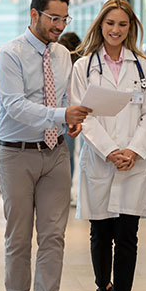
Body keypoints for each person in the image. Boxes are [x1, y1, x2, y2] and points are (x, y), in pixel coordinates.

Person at [0, 0, 91, 291]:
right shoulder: (10, 55)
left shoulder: (63, 55)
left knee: (53, 236)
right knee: (18, 236)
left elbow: (65, 97)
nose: (60, 25)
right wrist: (59, 113)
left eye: (64, 18)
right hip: (16, 153)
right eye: (54, 18)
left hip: (55, 153)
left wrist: (71, 119)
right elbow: (13, 105)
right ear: (34, 15)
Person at [70, 0, 146, 291]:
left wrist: (134, 151)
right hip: (100, 158)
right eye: (110, 23)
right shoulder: (83, 67)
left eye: (123, 24)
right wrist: (110, 151)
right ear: (100, 25)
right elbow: (82, 114)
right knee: (100, 232)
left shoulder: (144, 67)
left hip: (134, 163)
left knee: (127, 235)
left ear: (131, 28)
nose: (116, 30)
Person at [57, 32, 81, 185]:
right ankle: (66, 185)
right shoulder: (58, 65)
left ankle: (67, 185)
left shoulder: (81, 66)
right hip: (62, 113)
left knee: (68, 153)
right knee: (67, 153)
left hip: (74, 114)